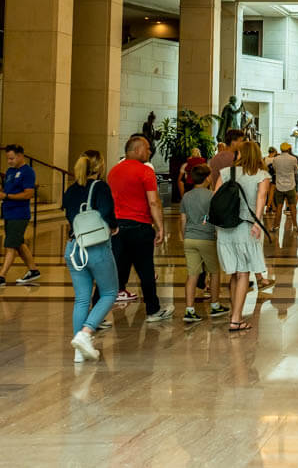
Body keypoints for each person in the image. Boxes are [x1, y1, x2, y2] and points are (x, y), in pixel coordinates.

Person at [106, 135, 172, 322]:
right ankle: (153, 310)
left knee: (119, 267)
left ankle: (104, 309)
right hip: (139, 227)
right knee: (146, 270)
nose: (150, 151)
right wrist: (160, 227)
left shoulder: (114, 171)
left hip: (118, 228)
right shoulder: (145, 171)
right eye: (147, 148)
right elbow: (153, 201)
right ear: (136, 150)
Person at [62, 149, 117, 362]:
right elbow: (106, 211)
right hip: (96, 247)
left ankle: (79, 351)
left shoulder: (71, 190)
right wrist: (114, 227)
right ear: (100, 166)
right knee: (109, 292)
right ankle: (86, 333)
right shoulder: (100, 186)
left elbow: (69, 215)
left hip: (74, 248)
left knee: (82, 298)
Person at [214, 141, 271, 332]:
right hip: (247, 227)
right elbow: (261, 200)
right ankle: (236, 319)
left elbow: (216, 200)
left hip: (226, 228)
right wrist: (257, 223)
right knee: (244, 272)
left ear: (239, 154)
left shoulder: (226, 173)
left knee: (234, 272)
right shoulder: (262, 175)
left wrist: (216, 226)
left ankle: (234, 312)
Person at [179, 164, 230, 323]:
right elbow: (216, 219)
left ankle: (189, 310)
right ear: (208, 178)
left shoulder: (186, 196)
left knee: (192, 274)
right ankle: (215, 305)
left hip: (189, 239)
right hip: (206, 239)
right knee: (214, 272)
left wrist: (184, 235)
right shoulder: (212, 196)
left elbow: (183, 219)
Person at [0, 145, 40, 286]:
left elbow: (29, 193)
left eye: (11, 158)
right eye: (7, 159)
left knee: (10, 245)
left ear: (20, 156)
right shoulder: (10, 171)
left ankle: (2, 276)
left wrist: (6, 196)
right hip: (8, 213)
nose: (9, 161)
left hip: (19, 214)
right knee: (18, 243)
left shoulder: (27, 172)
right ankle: (33, 270)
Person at [272, 142, 298, 233]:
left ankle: (276, 227)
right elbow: (296, 170)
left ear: (281, 149)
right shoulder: (293, 159)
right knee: (292, 207)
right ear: (289, 149)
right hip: (290, 186)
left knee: (279, 208)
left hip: (279, 186)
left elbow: (274, 169)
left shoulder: (276, 159)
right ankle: (296, 226)